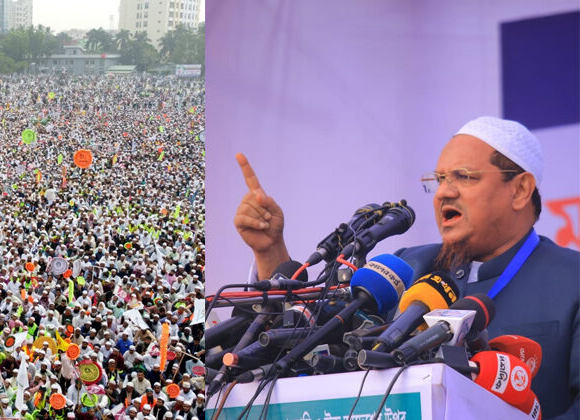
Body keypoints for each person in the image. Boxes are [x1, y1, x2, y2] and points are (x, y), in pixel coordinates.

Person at [234, 116, 578, 419]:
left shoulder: (572, 279)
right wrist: (270, 251)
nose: (444, 192)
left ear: (520, 190)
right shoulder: (405, 265)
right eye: (439, 179)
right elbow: (310, 339)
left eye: (464, 177)